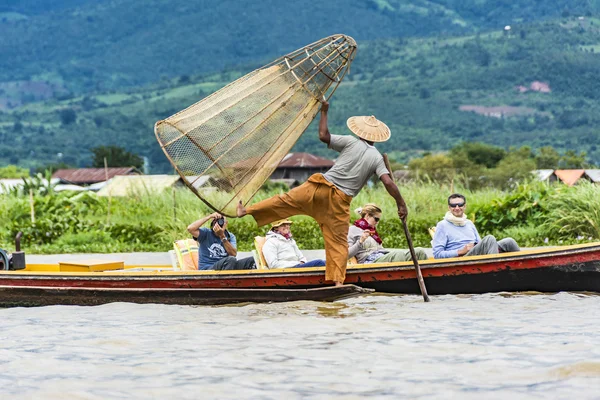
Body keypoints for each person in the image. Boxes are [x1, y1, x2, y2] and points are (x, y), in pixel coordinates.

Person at [237, 100, 409, 286]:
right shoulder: (376, 157)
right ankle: (337, 283)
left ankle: (245, 211)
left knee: (284, 201)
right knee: (337, 244)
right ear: (375, 138)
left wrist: (324, 111)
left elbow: (323, 135)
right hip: (339, 203)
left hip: (319, 188)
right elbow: (388, 182)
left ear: (360, 132)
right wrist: (401, 203)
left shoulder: (350, 141)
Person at [432, 193, 520, 259]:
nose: (457, 208)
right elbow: (437, 254)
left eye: (460, 205)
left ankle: (521, 272)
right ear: (449, 207)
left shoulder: (469, 223)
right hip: (462, 259)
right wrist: (461, 251)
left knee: (509, 242)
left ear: (465, 206)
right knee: (489, 239)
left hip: (475, 254)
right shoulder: (442, 225)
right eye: (453, 205)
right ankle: (493, 273)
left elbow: (480, 243)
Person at [348, 203, 428, 263]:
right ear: (368, 216)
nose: (377, 223)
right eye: (376, 219)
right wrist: (360, 241)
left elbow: (380, 250)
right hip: (370, 262)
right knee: (407, 254)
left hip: (382, 257)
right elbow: (346, 255)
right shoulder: (353, 230)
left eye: (379, 220)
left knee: (419, 252)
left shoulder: (372, 232)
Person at [187, 212, 255, 270]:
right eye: (216, 220)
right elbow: (190, 228)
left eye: (221, 220)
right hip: (208, 269)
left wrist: (222, 236)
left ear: (226, 223)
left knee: (252, 260)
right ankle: (227, 283)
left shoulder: (230, 236)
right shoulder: (206, 233)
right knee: (230, 260)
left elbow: (233, 254)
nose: (218, 223)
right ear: (212, 222)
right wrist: (209, 217)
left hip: (226, 266)